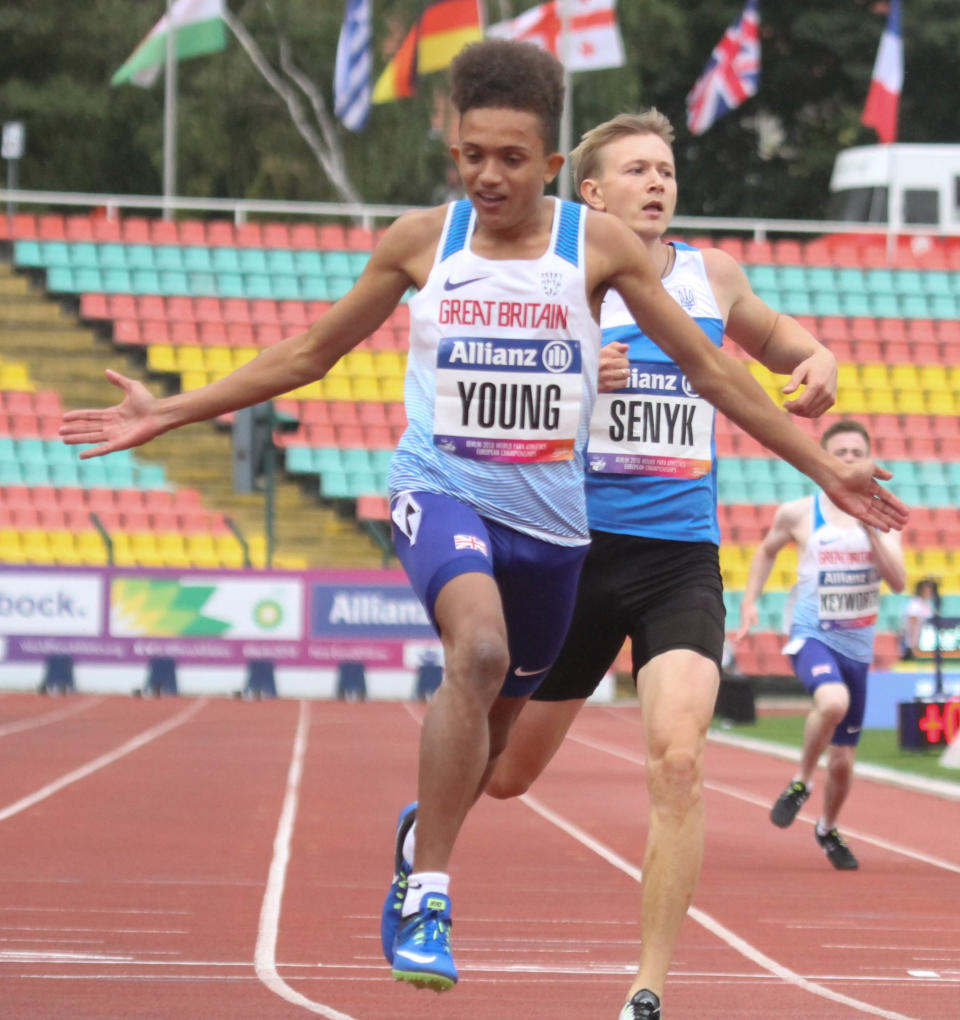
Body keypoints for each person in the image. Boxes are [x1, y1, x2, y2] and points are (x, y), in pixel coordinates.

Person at [60, 40, 905, 1001]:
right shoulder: (424, 241)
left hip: (568, 536)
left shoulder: (611, 254)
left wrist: (824, 468)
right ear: (454, 150)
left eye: (512, 157)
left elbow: (718, 376)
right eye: (473, 155)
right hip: (447, 491)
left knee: (524, 769)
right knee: (476, 654)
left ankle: (515, 891)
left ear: (550, 168)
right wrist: (168, 410)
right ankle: (429, 892)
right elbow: (307, 354)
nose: (490, 175)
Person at [466, 108, 842, 1020]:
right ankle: (432, 815)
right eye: (638, 169)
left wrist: (815, 355)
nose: (659, 182)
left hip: (679, 561)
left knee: (679, 760)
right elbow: (491, 409)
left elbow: (775, 333)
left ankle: (649, 986)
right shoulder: (559, 278)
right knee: (505, 777)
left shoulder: (711, 276)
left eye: (666, 169)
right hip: (575, 555)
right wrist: (577, 373)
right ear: (590, 192)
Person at [736, 420, 906, 872]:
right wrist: (750, 603)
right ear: (826, 460)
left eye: (856, 452)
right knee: (832, 702)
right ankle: (799, 782)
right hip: (812, 635)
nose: (849, 459)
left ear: (869, 461)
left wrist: (872, 533)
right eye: (840, 453)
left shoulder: (885, 516)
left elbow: (899, 581)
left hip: (857, 648)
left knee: (845, 764)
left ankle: (826, 828)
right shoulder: (798, 512)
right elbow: (767, 550)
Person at [898, 577, 938, 660]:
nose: (929, 592)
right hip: (912, 645)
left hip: (924, 643)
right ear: (920, 590)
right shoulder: (914, 604)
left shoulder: (926, 604)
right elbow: (912, 626)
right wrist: (913, 646)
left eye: (930, 590)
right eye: (926, 590)